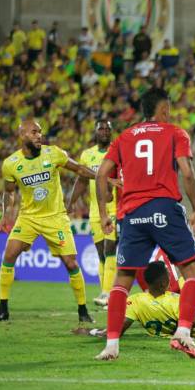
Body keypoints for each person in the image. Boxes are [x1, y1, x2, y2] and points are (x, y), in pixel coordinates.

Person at [94, 87, 195, 361]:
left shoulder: (123, 137)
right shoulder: (175, 132)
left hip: (131, 214)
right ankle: (182, 334)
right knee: (193, 270)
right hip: (163, 208)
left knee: (123, 278)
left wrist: (103, 214)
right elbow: (187, 172)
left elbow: (101, 175)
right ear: (164, 109)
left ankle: (111, 346)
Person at [0, 120, 106, 322]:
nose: (39, 135)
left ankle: (82, 310)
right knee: (9, 254)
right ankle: (3, 307)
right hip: (28, 218)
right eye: (34, 132)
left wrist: (103, 178)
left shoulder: (53, 153)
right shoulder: (11, 164)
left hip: (55, 217)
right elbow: (9, 192)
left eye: (40, 132)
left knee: (71, 262)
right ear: (22, 136)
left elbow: (80, 170)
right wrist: (6, 213)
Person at [67, 120, 118, 307]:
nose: (104, 131)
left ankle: (107, 293)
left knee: (109, 249)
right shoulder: (87, 155)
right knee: (101, 254)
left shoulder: (118, 151)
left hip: (114, 209)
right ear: (95, 132)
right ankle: (106, 292)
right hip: (95, 211)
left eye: (107, 129)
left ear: (111, 132)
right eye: (101, 129)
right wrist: (71, 202)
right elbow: (81, 180)